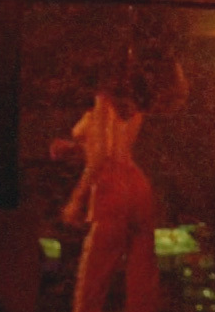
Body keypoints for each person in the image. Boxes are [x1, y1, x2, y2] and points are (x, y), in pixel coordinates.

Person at [50, 61, 185, 312]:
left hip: (113, 188)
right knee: (141, 283)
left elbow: (102, 154)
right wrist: (73, 148)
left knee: (92, 284)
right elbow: (114, 146)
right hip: (137, 187)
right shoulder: (134, 107)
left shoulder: (104, 99)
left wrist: (77, 199)